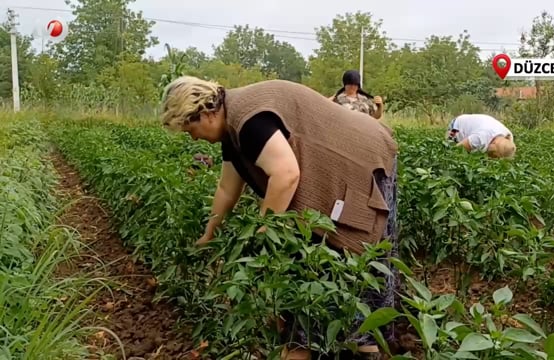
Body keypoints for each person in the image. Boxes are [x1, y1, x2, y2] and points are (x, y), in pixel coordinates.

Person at [161, 76, 401, 359]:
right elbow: (227, 188)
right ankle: (320, 341)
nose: (192, 137)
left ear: (205, 111)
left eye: (190, 128)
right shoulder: (232, 126)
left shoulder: (250, 121)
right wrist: (210, 232)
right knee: (315, 255)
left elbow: (286, 175)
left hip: (364, 155)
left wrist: (263, 232)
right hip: (346, 153)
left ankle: (362, 346)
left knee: (359, 248)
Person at [446, 114, 516, 159]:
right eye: (495, 156)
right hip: (457, 127)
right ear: (494, 144)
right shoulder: (480, 138)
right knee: (450, 153)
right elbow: (457, 150)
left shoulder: (509, 138)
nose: (496, 159)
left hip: (478, 128)